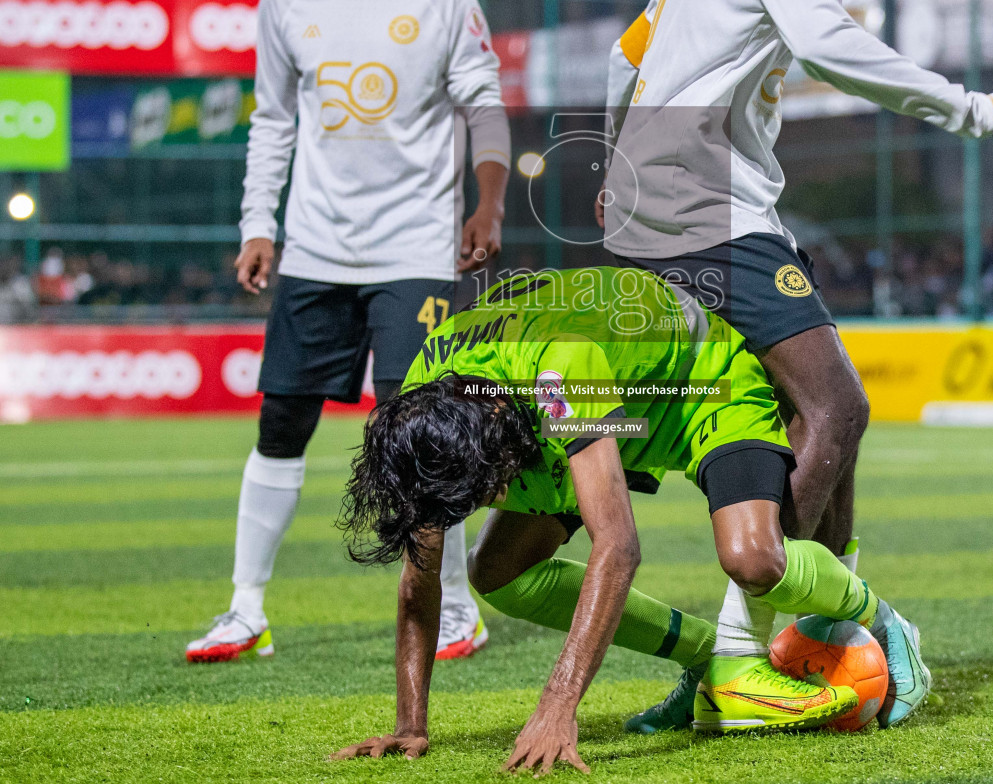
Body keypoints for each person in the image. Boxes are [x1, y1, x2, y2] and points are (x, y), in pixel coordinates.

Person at [598, 0, 993, 729]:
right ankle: (739, 661)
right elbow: (824, 42)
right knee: (838, 405)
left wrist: (615, 156)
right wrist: (977, 109)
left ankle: (803, 646)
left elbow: (627, 48)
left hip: (679, 188)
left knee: (822, 437)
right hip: (702, 199)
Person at [332, 267, 929, 773]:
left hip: (699, 383)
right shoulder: (423, 412)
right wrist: (410, 725)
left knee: (753, 558)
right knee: (498, 570)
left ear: (494, 427)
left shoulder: (558, 369)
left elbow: (616, 546)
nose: (500, 498)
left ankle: (882, 618)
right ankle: (709, 655)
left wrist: (558, 705)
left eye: (494, 486)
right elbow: (420, 579)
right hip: (604, 392)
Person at [186, 0, 510, 664]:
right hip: (318, 251)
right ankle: (245, 611)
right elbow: (273, 123)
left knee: (426, 432)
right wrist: (258, 225)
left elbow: (484, 104)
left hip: (416, 250)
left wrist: (490, 202)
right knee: (281, 422)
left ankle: (457, 608)